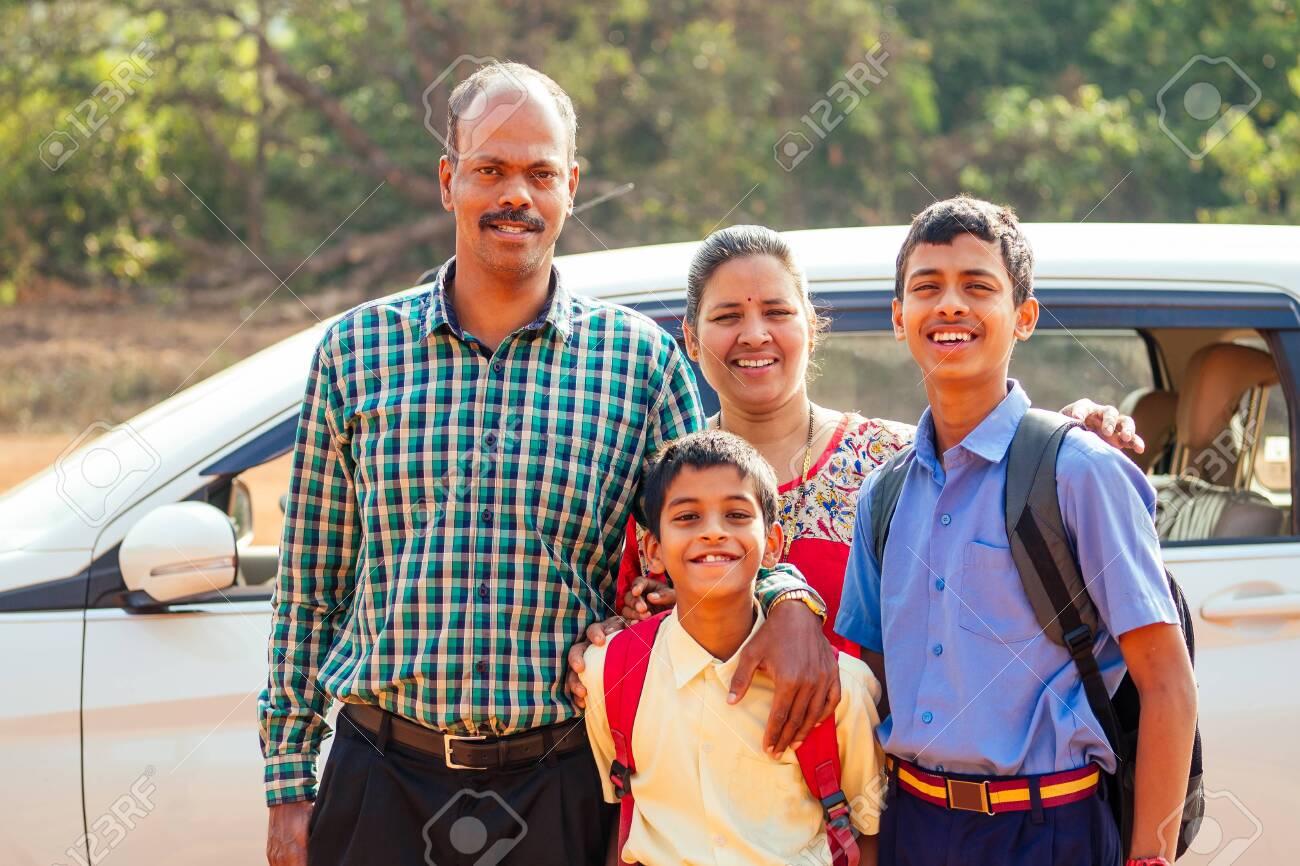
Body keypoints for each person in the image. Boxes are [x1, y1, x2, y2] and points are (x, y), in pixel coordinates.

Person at [258, 62, 834, 866]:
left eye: (538, 173)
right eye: (489, 170)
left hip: (563, 783)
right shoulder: (357, 352)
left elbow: (713, 521)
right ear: (448, 180)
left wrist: (788, 599)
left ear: (571, 185)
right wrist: (289, 783)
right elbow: (310, 585)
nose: (514, 197)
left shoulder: (637, 362)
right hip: (380, 778)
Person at [836, 196, 1198, 866]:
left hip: (1047, 828)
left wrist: (1151, 856)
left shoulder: (1078, 471)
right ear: (898, 318)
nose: (950, 306)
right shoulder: (884, 494)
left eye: (979, 287)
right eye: (927, 289)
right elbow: (872, 679)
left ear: (1023, 317)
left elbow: (1167, 682)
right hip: (915, 826)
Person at [594, 225, 1145, 659]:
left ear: (812, 326)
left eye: (778, 313)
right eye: (727, 316)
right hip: (719, 785)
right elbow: (639, 639)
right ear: (691, 337)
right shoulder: (668, 485)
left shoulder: (896, 461)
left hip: (878, 780)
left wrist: (1073, 432)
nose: (755, 335)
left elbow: (1005, 475)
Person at [579, 429, 884, 866]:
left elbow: (865, 829)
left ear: (773, 545)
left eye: (737, 515)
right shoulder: (609, 673)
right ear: (652, 551)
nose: (713, 533)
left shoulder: (840, 691)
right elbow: (625, 811)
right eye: (687, 518)